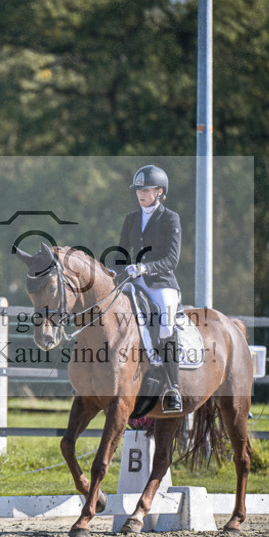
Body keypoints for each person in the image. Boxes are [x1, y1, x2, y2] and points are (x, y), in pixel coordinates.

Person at [118, 164, 183, 413]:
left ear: (159, 192)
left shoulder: (170, 218)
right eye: (138, 190)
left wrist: (145, 269)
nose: (140, 194)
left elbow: (172, 259)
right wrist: (116, 271)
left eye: (145, 190)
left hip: (161, 282)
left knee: (165, 325)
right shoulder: (131, 218)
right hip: (133, 280)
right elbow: (122, 251)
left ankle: (173, 387)